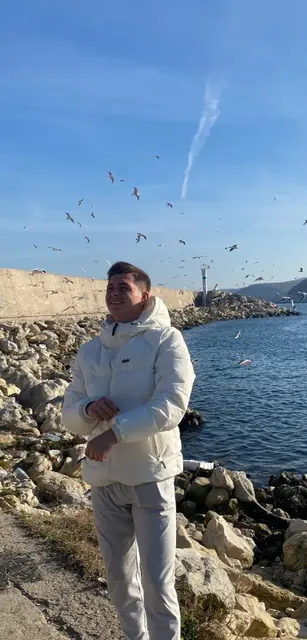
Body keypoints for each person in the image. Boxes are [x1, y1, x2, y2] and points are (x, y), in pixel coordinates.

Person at [63, 261, 195, 640]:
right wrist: (88, 409)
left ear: (144, 295)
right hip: (104, 479)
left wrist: (114, 434)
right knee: (119, 578)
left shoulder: (167, 340)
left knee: (157, 581)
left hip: (150, 476)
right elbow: (69, 413)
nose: (114, 293)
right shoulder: (89, 351)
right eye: (110, 288)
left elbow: (172, 404)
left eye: (123, 287)